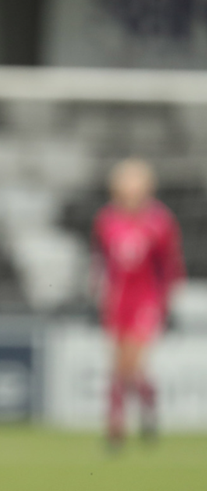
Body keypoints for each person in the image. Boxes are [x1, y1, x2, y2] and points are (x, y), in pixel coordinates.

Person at [92, 158, 185, 450]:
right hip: (117, 298)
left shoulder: (160, 221)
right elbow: (102, 262)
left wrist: (167, 303)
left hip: (146, 298)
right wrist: (95, 293)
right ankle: (147, 411)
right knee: (120, 365)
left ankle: (115, 427)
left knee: (128, 363)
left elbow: (169, 266)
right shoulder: (107, 220)